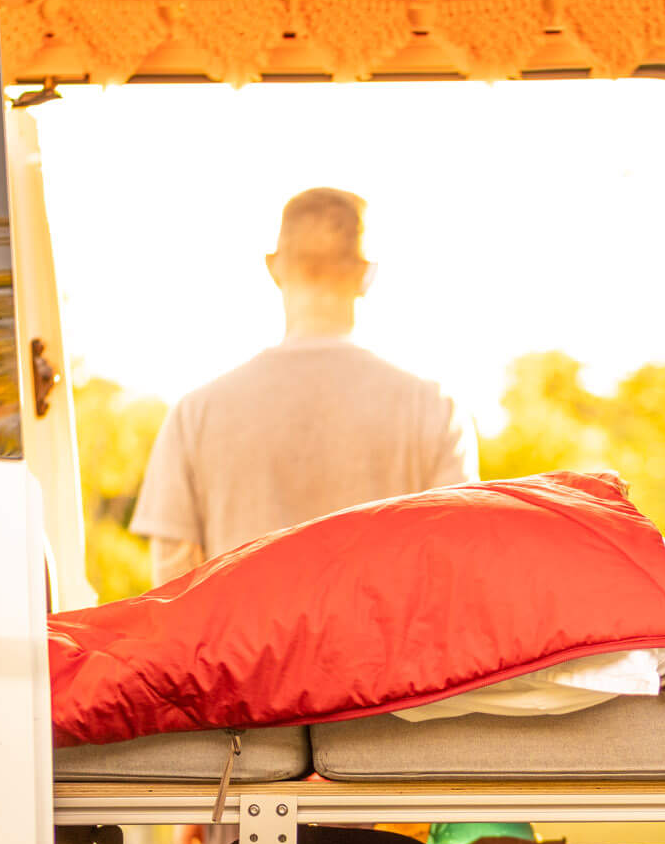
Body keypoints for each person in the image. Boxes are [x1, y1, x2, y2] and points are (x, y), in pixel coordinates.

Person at [132, 186, 477, 585]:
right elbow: (456, 577)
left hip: (241, 650)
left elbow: (172, 591)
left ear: (273, 268)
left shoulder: (195, 415)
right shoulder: (435, 409)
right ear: (367, 274)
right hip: (392, 650)